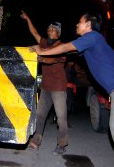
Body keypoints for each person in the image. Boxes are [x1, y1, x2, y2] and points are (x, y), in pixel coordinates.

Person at [30, 12, 114, 167]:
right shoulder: (91, 43)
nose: (77, 24)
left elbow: (67, 46)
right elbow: (68, 50)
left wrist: (41, 51)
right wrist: (45, 52)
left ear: (88, 24)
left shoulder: (92, 37)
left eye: (80, 22)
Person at [20, 10, 69, 156]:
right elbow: (34, 32)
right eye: (48, 29)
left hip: (59, 88)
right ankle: (36, 140)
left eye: (53, 29)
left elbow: (51, 60)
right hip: (46, 87)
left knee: (61, 117)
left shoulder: (62, 47)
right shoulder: (45, 43)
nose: (49, 31)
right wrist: (27, 18)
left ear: (58, 33)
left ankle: (62, 144)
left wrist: (39, 57)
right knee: (40, 115)